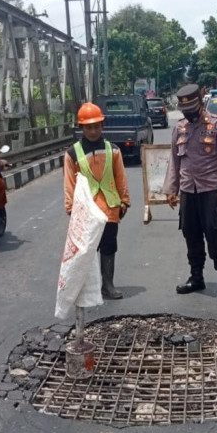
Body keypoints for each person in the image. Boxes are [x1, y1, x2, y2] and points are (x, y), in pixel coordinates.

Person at [162, 83, 217, 303]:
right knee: (190, 233)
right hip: (188, 190)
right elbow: (174, 160)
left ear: (201, 103)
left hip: (211, 189)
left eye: (192, 107)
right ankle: (197, 277)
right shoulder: (180, 128)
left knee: (215, 235)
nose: (188, 112)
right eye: (184, 108)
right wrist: (171, 189)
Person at [63, 102, 131, 300]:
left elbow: (120, 177)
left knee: (109, 246)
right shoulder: (72, 153)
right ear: (82, 128)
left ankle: (107, 285)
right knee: (86, 250)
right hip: (86, 209)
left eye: (96, 126)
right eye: (88, 127)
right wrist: (70, 207)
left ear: (102, 126)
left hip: (110, 207)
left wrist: (124, 201)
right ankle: (85, 286)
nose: (92, 131)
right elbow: (69, 182)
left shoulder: (114, 150)